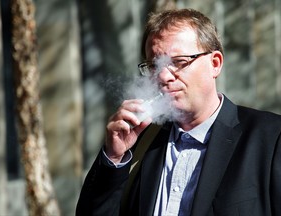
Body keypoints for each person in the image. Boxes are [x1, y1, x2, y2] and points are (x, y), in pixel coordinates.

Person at [76, 8, 281, 216]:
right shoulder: (137, 142)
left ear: (215, 63)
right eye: (154, 66)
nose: (164, 76)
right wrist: (114, 157)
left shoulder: (271, 137)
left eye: (179, 62)